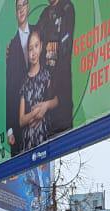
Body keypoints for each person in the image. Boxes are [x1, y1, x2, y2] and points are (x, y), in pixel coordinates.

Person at [35, 0, 76, 133]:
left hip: (60, 90)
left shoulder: (66, 8)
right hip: (45, 94)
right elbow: (34, 35)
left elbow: (65, 50)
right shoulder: (45, 14)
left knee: (63, 132)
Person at [18, 28, 60, 155]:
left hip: (44, 135)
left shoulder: (47, 75)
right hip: (28, 140)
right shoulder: (24, 82)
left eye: (36, 46)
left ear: (41, 46)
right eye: (30, 49)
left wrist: (46, 106)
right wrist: (35, 114)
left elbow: (57, 100)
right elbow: (21, 120)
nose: (33, 52)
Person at [5, 0, 33, 156]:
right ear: (15, 12)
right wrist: (9, 129)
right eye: (18, 7)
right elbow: (9, 91)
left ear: (28, 7)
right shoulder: (12, 46)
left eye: (24, 5)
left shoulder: (38, 32)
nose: (21, 10)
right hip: (20, 119)